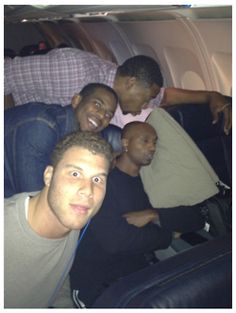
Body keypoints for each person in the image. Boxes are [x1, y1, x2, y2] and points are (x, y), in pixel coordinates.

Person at [4, 48, 231, 134]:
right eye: (145, 100)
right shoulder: (75, 70)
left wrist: (211, 95)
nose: (145, 106)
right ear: (131, 83)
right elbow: (8, 73)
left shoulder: (116, 83)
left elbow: (166, 96)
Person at [69, 121, 175, 308]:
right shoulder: (104, 181)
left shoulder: (148, 180)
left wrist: (153, 215)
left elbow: (185, 215)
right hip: (98, 281)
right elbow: (117, 241)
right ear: (125, 144)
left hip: (138, 271)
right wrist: (167, 235)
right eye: (145, 141)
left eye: (155, 142)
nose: (152, 147)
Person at [4, 130, 114, 308]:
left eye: (97, 179)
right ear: (49, 176)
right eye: (75, 174)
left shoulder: (72, 218)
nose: (88, 191)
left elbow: (57, 278)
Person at [4, 82, 118, 198]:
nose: (102, 115)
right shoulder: (42, 125)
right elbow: (33, 196)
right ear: (76, 100)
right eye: (97, 105)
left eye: (108, 115)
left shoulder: (79, 136)